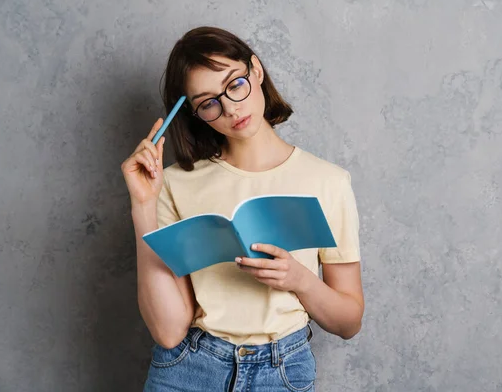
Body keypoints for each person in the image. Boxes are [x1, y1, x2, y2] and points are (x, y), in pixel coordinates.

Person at [121, 26, 364, 392]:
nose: (231, 109)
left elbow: (349, 322)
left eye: (235, 84)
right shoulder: (174, 184)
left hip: (282, 371)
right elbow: (169, 330)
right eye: (209, 103)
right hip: (190, 369)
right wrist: (143, 205)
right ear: (195, 113)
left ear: (257, 70)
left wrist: (299, 280)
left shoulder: (328, 181)